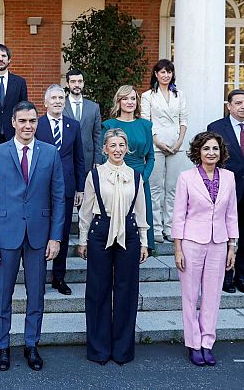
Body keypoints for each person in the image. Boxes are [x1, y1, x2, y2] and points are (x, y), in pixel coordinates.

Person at [0, 101, 64, 372]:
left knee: (36, 294)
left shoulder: (50, 153)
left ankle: (31, 345)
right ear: (13, 123)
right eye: (23, 121)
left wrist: (56, 237)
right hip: (5, 236)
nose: (28, 126)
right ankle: (2, 347)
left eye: (32, 121)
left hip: (39, 236)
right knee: (3, 294)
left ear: (36, 123)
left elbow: (58, 199)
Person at [77, 128, 149, 365]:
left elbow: (141, 211)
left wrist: (144, 242)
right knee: (98, 290)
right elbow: (86, 210)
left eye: (121, 145)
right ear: (105, 149)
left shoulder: (135, 176)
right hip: (100, 232)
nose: (117, 150)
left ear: (126, 148)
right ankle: (98, 348)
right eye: (113, 146)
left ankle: (122, 350)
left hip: (128, 233)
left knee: (126, 290)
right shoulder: (95, 176)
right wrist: (82, 239)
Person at [172, 131, 238, 366]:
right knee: (190, 296)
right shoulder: (186, 178)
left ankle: (207, 342)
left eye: (215, 149)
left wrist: (232, 245)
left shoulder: (229, 177)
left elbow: (232, 214)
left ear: (221, 153)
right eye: (207, 149)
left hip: (219, 243)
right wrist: (177, 249)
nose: (211, 153)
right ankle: (193, 343)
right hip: (191, 242)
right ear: (198, 152)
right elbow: (179, 215)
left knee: (212, 296)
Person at [207, 89, 244, 294]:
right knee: (226, 235)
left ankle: (242, 275)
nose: (243, 107)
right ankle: (226, 276)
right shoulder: (216, 127)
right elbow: (212, 159)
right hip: (227, 190)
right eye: (239, 103)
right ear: (229, 106)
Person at [36, 84, 84, 295]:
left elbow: (79, 159)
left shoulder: (73, 126)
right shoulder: (36, 124)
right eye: (53, 98)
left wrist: (80, 188)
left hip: (66, 187)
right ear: (45, 103)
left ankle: (59, 277)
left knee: (62, 233)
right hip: (40, 187)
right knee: (40, 233)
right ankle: (37, 278)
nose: (57, 101)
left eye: (60, 98)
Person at [102, 85, 156, 250]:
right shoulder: (109, 125)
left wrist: (143, 178)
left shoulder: (145, 125)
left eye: (133, 98)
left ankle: (142, 250)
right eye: (125, 98)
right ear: (118, 101)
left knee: (139, 219)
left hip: (140, 177)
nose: (130, 102)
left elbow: (151, 157)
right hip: (115, 178)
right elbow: (105, 155)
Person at [141, 59, 188, 244]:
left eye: (169, 72)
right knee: (155, 188)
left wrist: (179, 142)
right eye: (162, 72)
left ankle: (170, 227)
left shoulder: (179, 95)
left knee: (173, 188)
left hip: (176, 145)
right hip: (156, 145)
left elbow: (183, 120)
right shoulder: (148, 96)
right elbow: (146, 121)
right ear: (156, 74)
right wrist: (158, 143)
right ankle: (156, 229)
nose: (166, 75)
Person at [63, 69, 103, 174]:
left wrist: (98, 160)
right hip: (65, 159)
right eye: (73, 81)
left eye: (80, 81)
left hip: (88, 160)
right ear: (67, 84)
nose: (77, 85)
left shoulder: (94, 107)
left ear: (83, 83)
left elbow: (97, 135)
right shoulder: (61, 106)